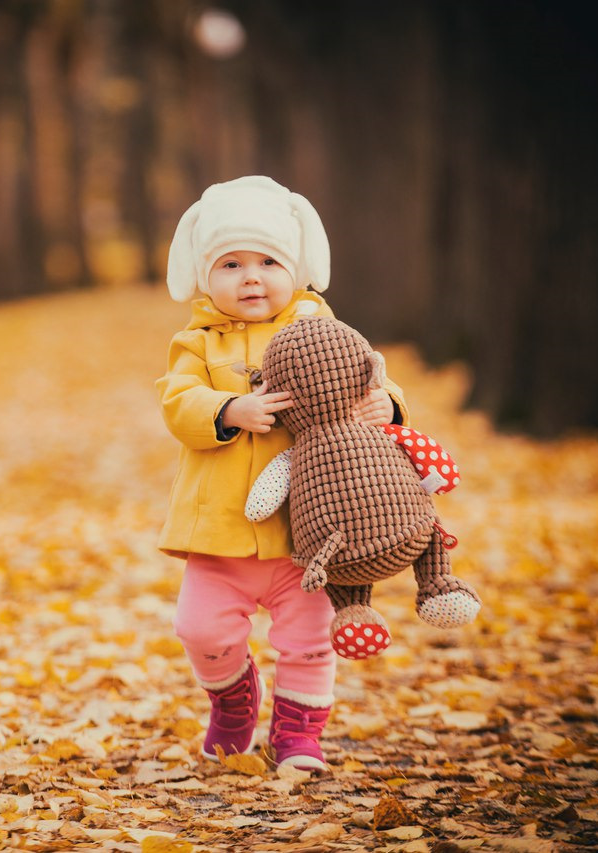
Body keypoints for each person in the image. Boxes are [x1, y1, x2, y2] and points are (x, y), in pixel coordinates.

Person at [156, 176, 408, 772]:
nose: (251, 277)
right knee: (199, 629)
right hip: (220, 532)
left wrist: (388, 407)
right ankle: (234, 696)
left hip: (309, 534)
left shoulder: (323, 328)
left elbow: (373, 377)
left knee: (309, 640)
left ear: (294, 268)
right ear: (203, 275)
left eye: (268, 261)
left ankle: (298, 735)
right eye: (231, 263)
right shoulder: (195, 342)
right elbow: (176, 402)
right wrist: (226, 409)